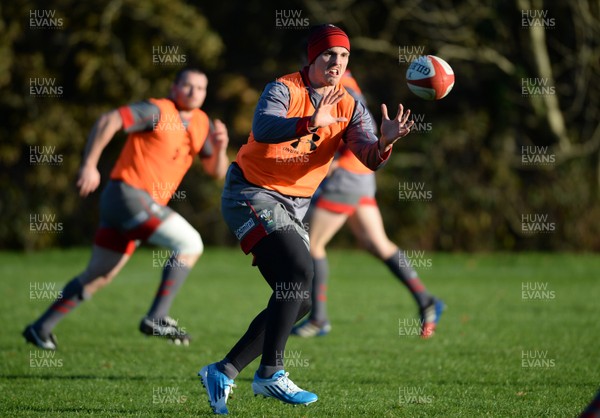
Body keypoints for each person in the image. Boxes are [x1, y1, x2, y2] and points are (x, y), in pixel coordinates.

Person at [198, 24, 415, 415]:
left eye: (344, 55)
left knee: (297, 298)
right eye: (329, 54)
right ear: (312, 58)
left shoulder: (348, 103)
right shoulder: (283, 89)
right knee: (298, 272)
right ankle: (270, 374)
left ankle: (224, 370)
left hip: (292, 205)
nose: (337, 62)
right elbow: (263, 128)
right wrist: (310, 122)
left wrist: (383, 142)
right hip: (250, 192)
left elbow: (366, 155)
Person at [23, 67, 230, 350]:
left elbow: (215, 171)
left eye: (201, 88)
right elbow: (109, 119)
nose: (194, 92)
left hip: (127, 204)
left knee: (101, 273)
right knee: (190, 242)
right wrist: (89, 164)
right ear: (174, 87)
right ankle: (157, 317)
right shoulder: (157, 110)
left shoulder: (201, 123)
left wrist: (220, 149)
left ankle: (40, 328)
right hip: (128, 195)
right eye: (188, 86)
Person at [291, 70, 445, 339]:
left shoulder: (340, 86)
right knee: (377, 244)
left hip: (347, 177)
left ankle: (318, 318)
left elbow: (363, 128)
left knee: (312, 243)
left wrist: (338, 162)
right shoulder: (338, 81)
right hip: (361, 176)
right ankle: (426, 300)